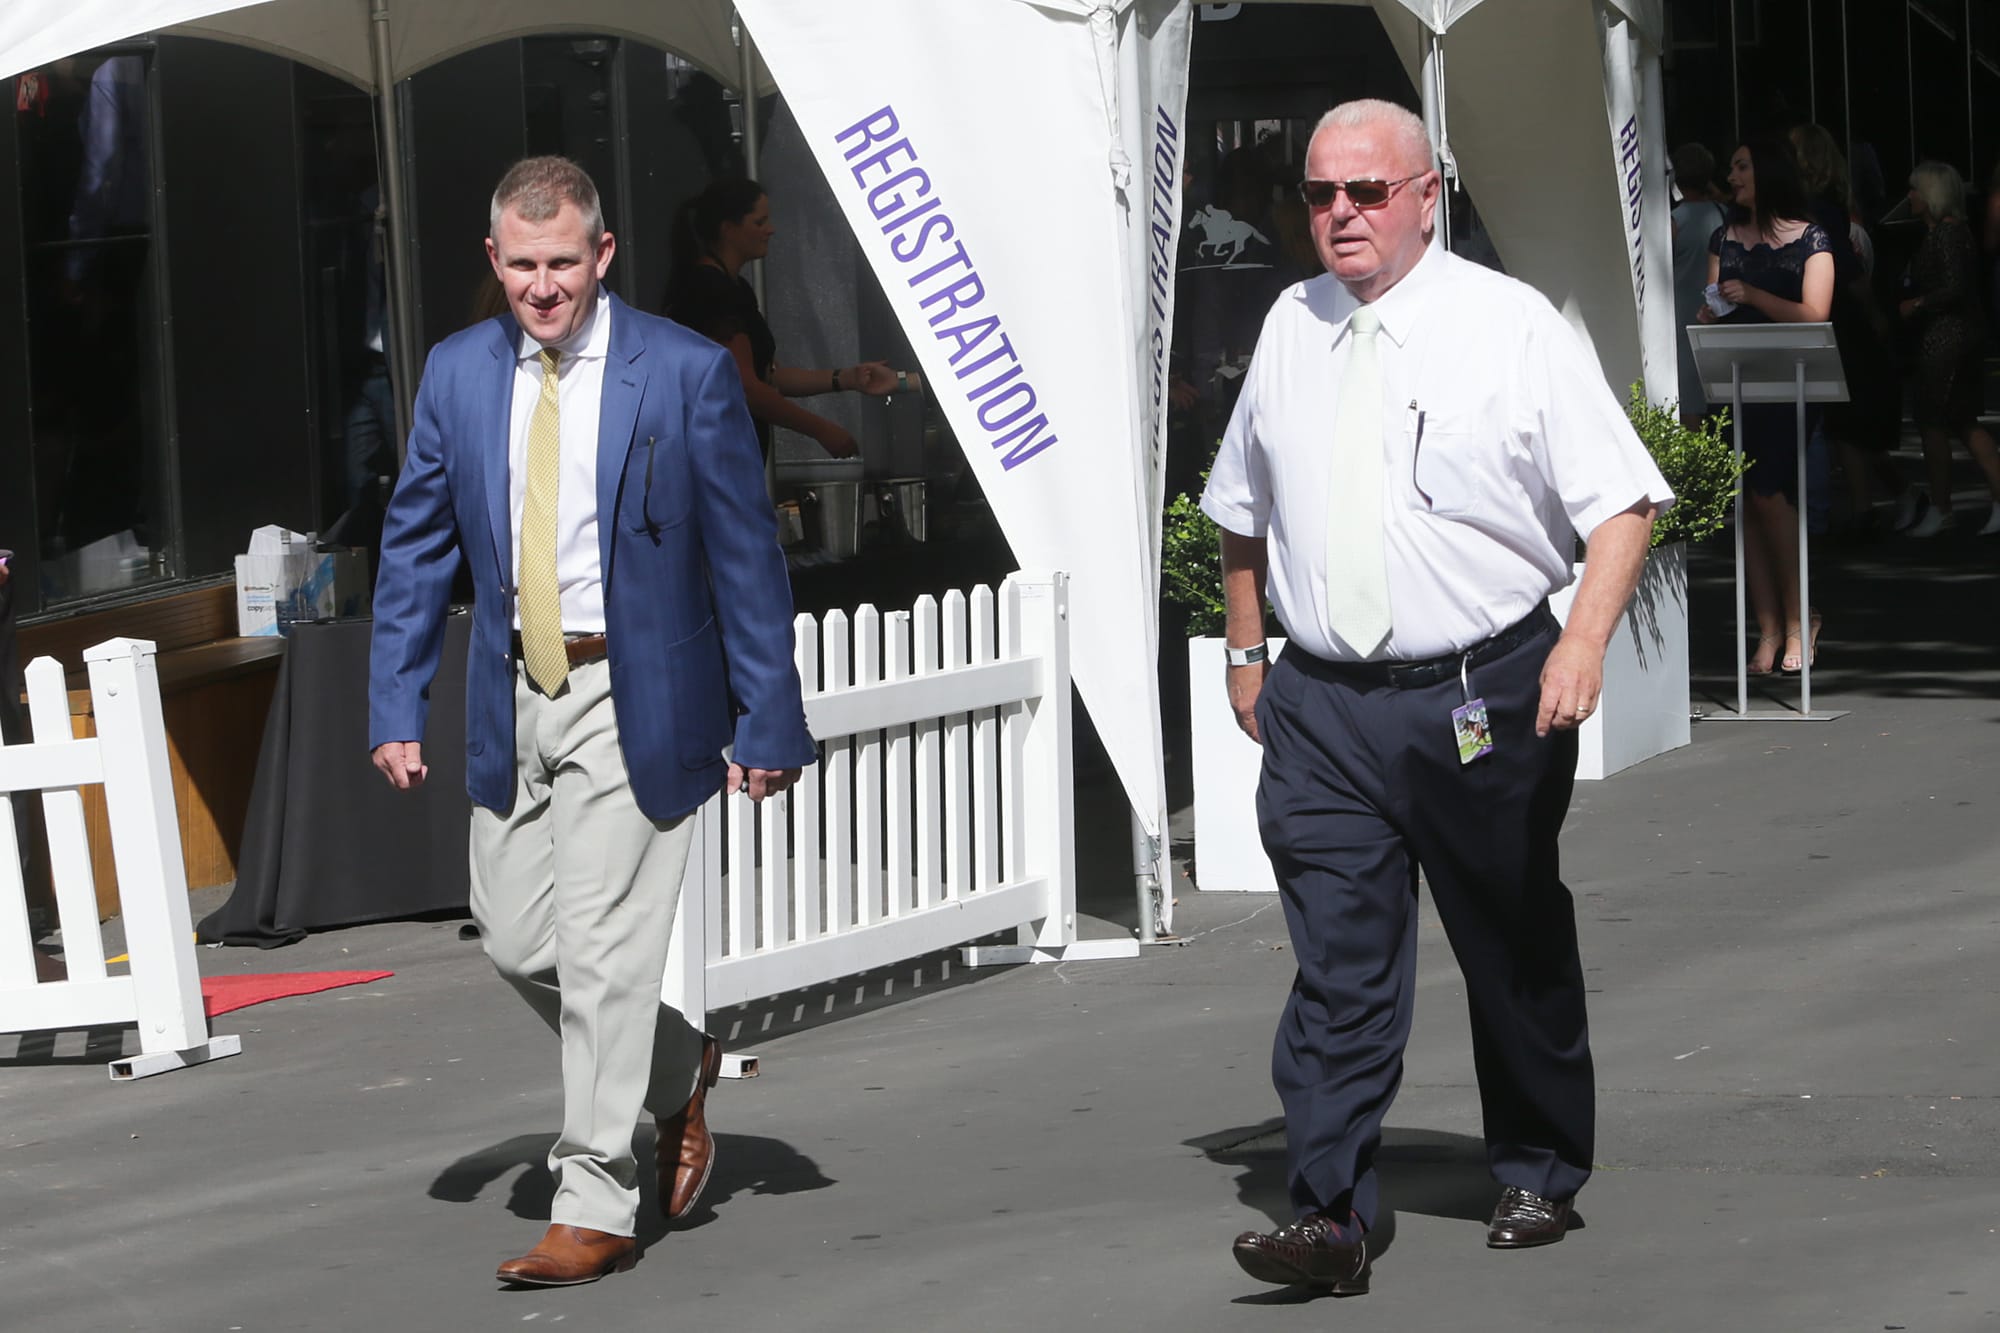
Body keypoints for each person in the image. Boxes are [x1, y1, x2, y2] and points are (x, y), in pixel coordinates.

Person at [1202, 99, 1669, 1296]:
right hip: (1323, 708)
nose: (1339, 214)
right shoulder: (1290, 325)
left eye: (1365, 191)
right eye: (1318, 193)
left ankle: (1537, 1162)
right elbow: (1239, 507)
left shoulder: (1507, 327)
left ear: (1425, 195)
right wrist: (1246, 652)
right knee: (1337, 964)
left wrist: (1580, 644)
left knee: (1507, 936)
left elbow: (1621, 504)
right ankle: (1329, 1213)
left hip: (1479, 691)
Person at [367, 157, 816, 1288]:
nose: (543, 287)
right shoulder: (458, 371)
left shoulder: (684, 370)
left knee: (606, 951)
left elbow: (744, 555)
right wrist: (394, 699)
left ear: (602, 254)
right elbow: (415, 544)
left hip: (637, 691)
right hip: (513, 691)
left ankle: (594, 1202)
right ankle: (678, 1069)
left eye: (563, 262)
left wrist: (768, 714)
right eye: (522, 265)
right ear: (494, 259)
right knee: (518, 939)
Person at [1697, 139, 1834, 674]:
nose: (1731, 176)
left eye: (1741, 166)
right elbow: (1713, 301)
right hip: (1736, 381)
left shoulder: (1810, 238)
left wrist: (1754, 297)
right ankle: (1769, 627)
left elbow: (1815, 313)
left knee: (1771, 495)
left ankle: (1801, 620)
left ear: (1769, 172)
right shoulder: (1724, 237)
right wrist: (1711, 314)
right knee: (1745, 505)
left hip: (1788, 383)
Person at [662, 178, 902, 462]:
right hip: (713, 457)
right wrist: (821, 429)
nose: (771, 230)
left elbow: (769, 376)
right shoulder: (710, 291)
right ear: (728, 229)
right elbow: (747, 386)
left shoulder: (735, 288)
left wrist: (847, 377)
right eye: (759, 222)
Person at [1789, 123, 1906, 539]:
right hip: (1841, 317)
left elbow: (1847, 270)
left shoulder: (1815, 210)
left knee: (1843, 420)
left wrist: (1872, 312)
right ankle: (1881, 501)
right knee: (1846, 420)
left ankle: (1862, 508)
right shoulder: (1828, 206)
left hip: (1836, 320)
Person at [1898, 161, 2000, 537]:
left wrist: (1918, 303)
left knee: (1936, 422)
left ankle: (1942, 507)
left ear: (1931, 194)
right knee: (1960, 420)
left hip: (1946, 339)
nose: (1910, 196)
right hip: (1954, 336)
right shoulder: (1950, 232)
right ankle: (1955, 506)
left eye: (1915, 189)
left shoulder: (1947, 234)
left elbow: (1955, 286)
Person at [1669, 143, 1730, 421]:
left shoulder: (1673, 221)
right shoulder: (1724, 214)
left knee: (1689, 402)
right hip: (1719, 314)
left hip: (1682, 317)